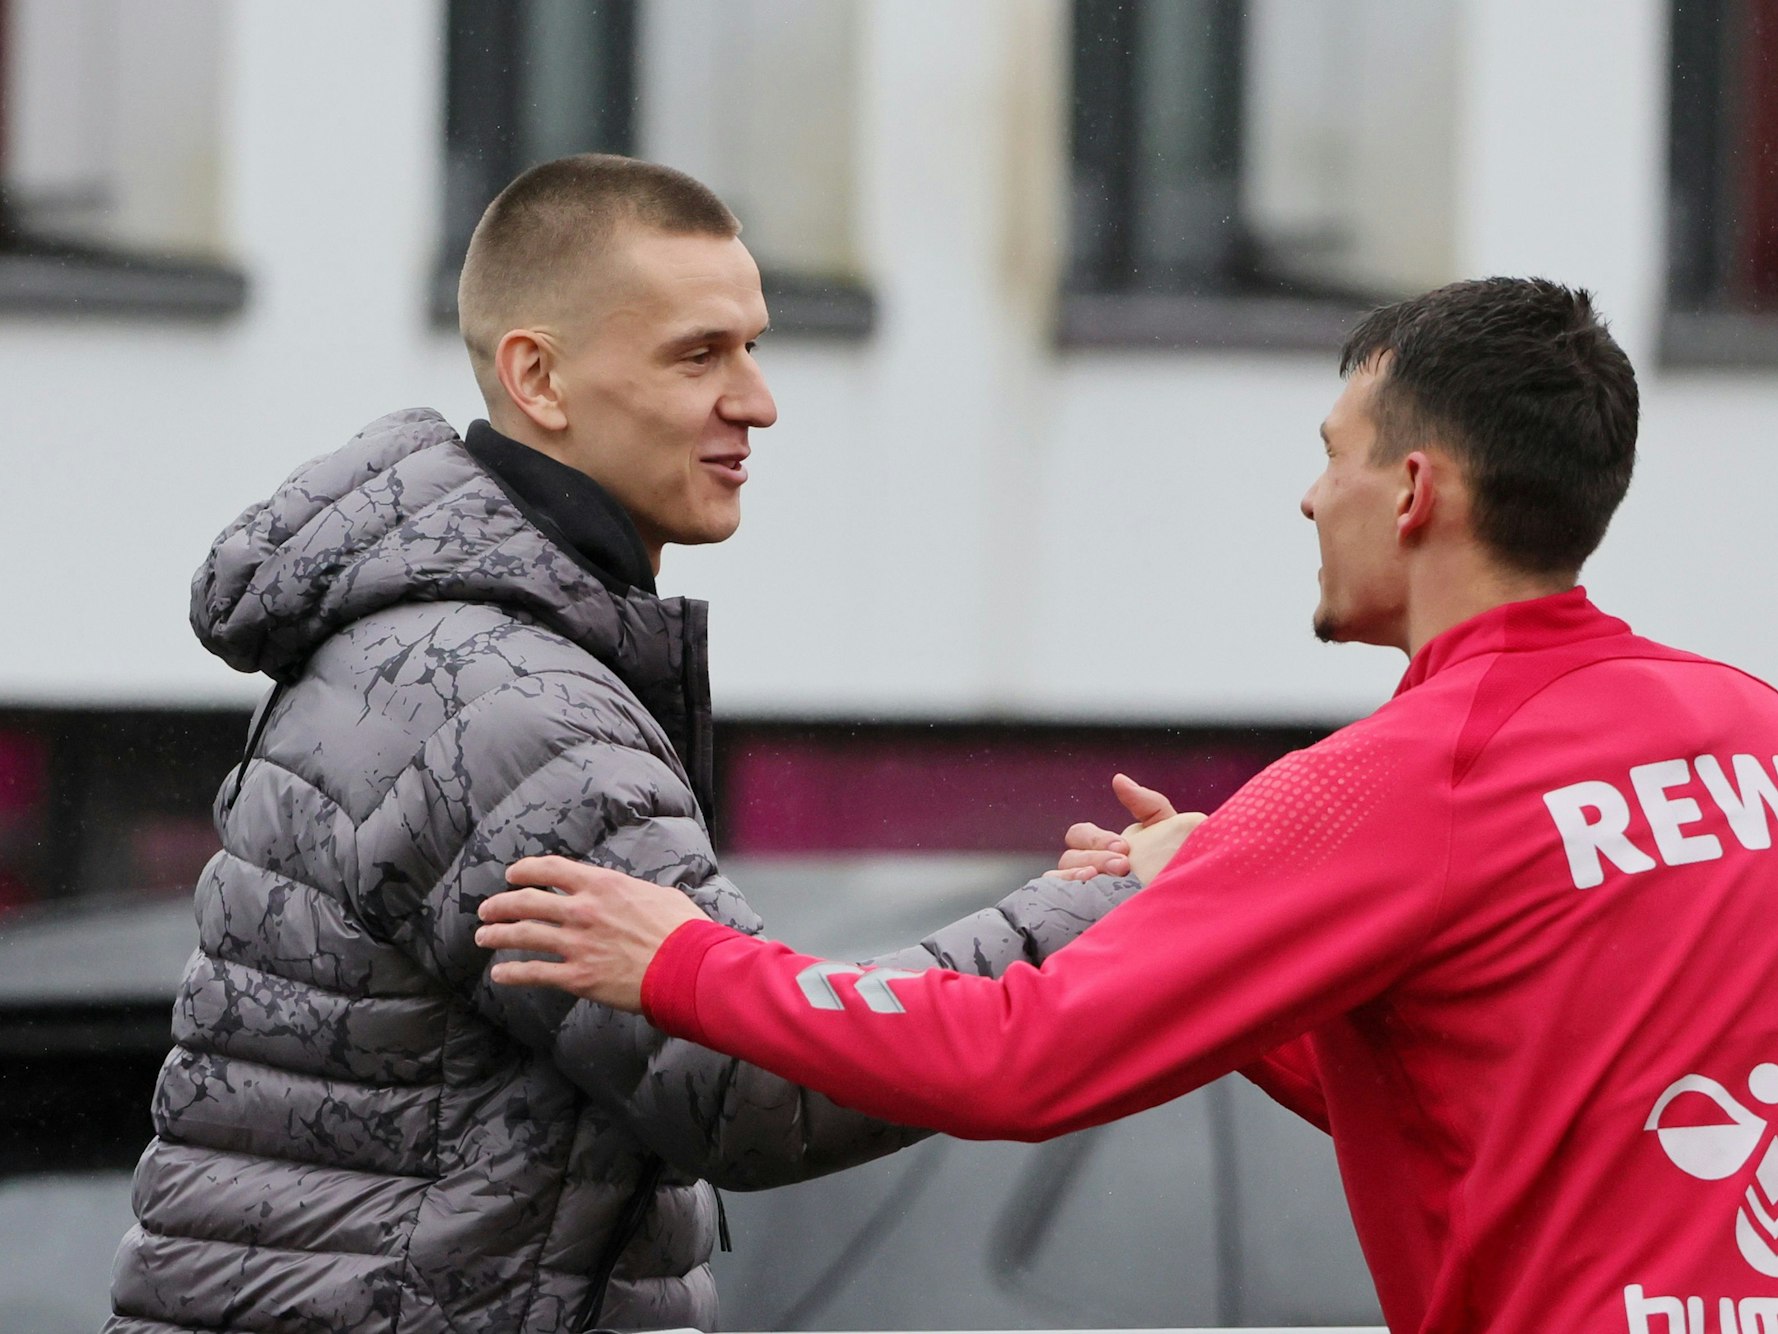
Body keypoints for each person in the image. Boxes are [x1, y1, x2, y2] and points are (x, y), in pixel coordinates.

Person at [476, 277, 1778, 1333]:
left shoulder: (1382, 786)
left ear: (1417, 492)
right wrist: (1217, 921)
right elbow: (1498, 1096)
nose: (1310, 496)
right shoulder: (1746, 725)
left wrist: (685, 962)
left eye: (1333, 458)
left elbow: (1015, 1053)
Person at [104, 154, 1139, 1334]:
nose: (756, 401)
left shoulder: (463, 651)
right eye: (699, 355)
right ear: (536, 376)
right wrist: (1100, 909)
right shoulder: (499, 701)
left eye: (753, 346)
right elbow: (749, 1085)